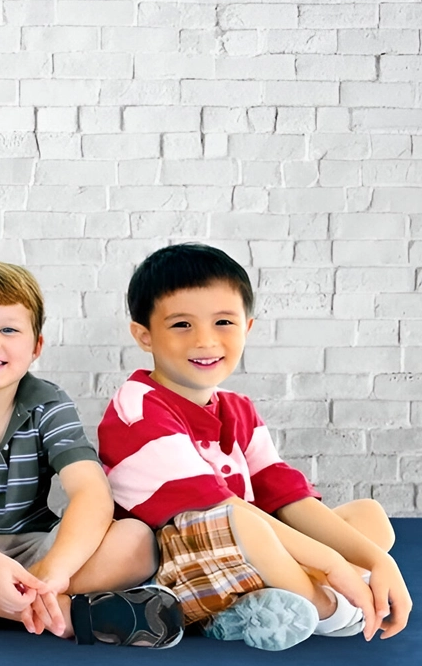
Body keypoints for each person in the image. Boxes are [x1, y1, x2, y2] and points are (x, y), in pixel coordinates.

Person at [97, 243, 409, 650]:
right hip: (178, 566)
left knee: (367, 517)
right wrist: (333, 564)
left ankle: (259, 605)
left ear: (247, 327)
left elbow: (283, 493)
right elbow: (219, 509)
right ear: (144, 335)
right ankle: (328, 611)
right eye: (181, 325)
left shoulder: (237, 407)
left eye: (223, 321)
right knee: (248, 523)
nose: (205, 341)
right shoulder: (137, 407)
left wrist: (377, 561)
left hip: (250, 546)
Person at [0, 258, 182, 647]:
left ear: (36, 346)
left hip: (32, 546)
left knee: (136, 539)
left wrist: (53, 573)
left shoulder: (49, 403)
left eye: (9, 330)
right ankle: (66, 615)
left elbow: (90, 492)